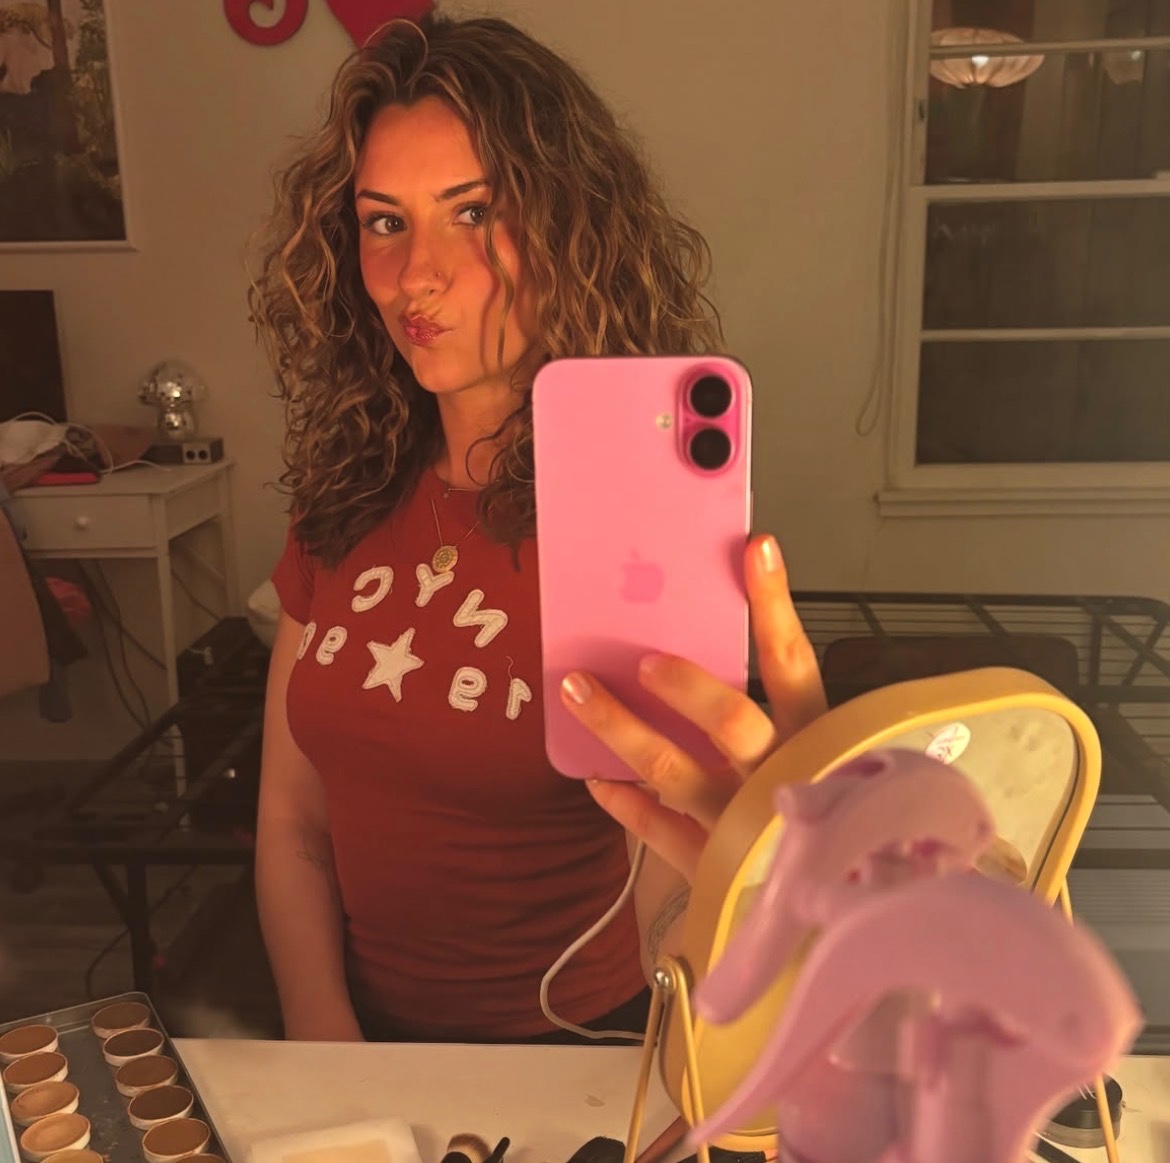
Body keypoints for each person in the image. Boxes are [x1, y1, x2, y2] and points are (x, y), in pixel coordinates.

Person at [249, 10, 826, 1044]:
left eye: (473, 213)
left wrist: (757, 909)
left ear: (571, 229)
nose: (416, 273)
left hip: (571, 1053)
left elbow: (664, 869)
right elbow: (293, 820)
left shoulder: (645, 530)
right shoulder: (343, 494)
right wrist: (321, 1031)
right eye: (384, 222)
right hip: (351, 1051)